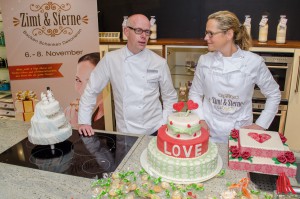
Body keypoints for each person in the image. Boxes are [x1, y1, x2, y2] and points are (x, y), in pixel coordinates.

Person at [189, 11, 281, 143]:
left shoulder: (253, 62)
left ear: (229, 34)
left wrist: (261, 125)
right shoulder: (204, 61)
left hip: (241, 134)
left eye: (211, 33)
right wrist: (200, 119)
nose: (206, 38)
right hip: (209, 132)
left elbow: (274, 94)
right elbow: (195, 93)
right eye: (206, 33)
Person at [78, 14, 177, 136]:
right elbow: (91, 90)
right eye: (138, 30)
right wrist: (84, 121)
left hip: (155, 130)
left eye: (147, 32)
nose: (143, 36)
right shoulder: (111, 59)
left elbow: (170, 97)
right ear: (126, 31)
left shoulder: (159, 63)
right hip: (125, 132)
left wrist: (164, 124)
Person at [64, 52, 105, 130]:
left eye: (90, 82)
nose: (81, 89)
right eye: (78, 80)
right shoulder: (98, 108)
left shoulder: (116, 117)